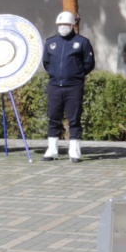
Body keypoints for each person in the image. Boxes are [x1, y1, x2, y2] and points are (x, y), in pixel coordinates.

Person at [43, 10, 93, 161]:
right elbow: (46, 63)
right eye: (60, 25)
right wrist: (55, 74)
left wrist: (76, 76)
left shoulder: (82, 42)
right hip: (54, 86)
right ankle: (52, 149)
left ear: (72, 25)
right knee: (53, 117)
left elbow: (89, 64)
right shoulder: (50, 42)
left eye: (65, 24)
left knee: (74, 119)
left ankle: (74, 150)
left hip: (74, 87)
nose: (62, 27)